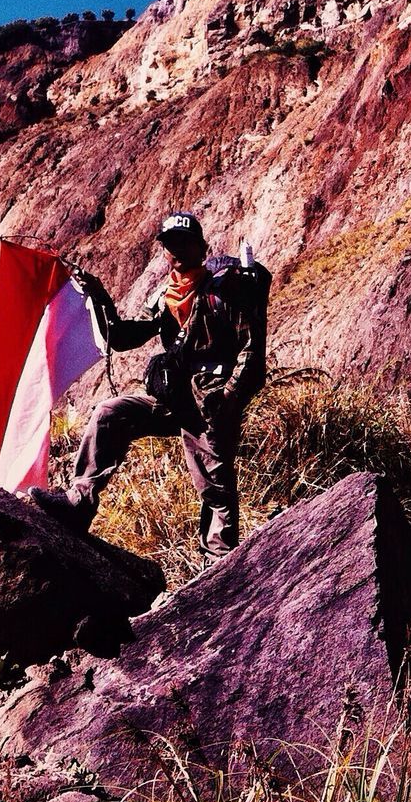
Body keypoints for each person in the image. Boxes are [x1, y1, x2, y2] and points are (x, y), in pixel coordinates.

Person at [28, 211, 270, 565]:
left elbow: (252, 351)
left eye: (185, 244)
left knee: (213, 483)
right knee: (110, 415)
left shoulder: (225, 290)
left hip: (212, 401)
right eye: (171, 246)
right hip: (175, 398)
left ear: (201, 248)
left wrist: (229, 398)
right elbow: (124, 337)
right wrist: (98, 296)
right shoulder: (166, 297)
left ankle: (221, 564)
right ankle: (79, 502)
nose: (178, 253)